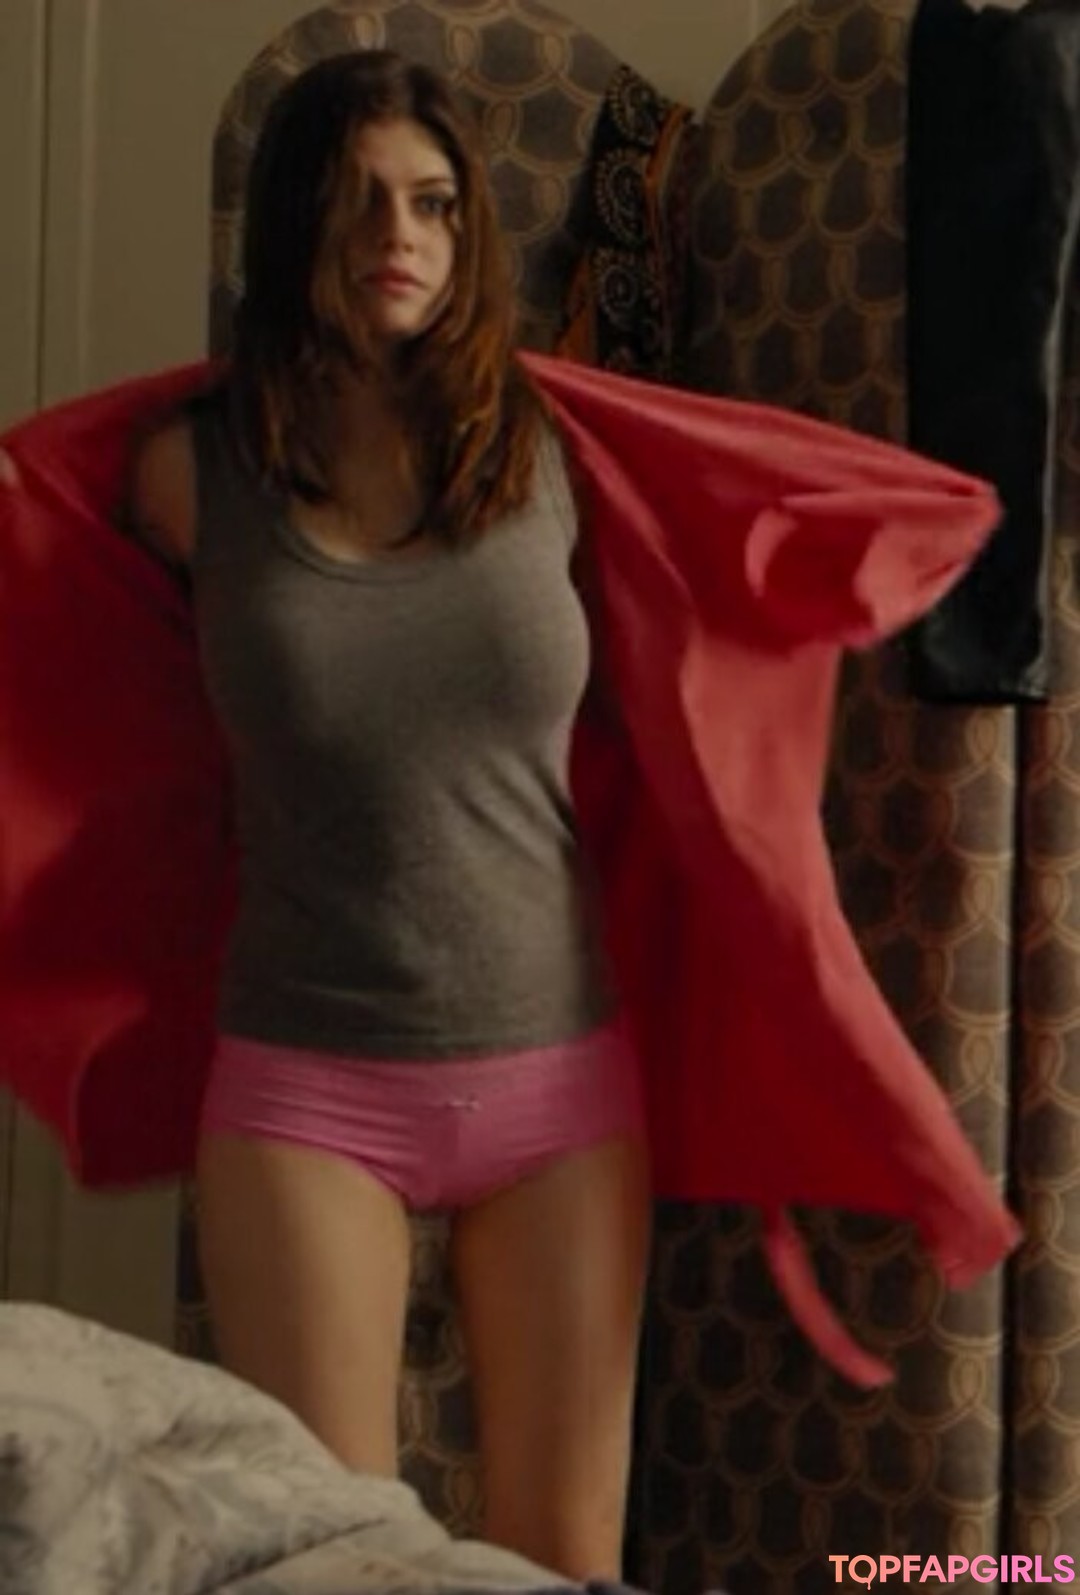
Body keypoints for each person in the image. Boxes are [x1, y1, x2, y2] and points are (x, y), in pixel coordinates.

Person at [0, 46, 1020, 1590]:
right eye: (355, 203)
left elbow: (736, 576)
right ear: (289, 226)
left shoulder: (552, 448)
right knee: (339, 1560)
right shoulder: (183, 473)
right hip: (306, 1091)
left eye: (430, 204)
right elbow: (70, 656)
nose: (396, 238)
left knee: (563, 1562)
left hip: (560, 1090)